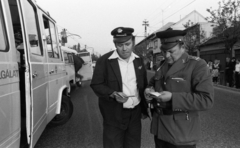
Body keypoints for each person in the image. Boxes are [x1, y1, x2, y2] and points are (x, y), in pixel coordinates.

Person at [144, 28, 214, 148]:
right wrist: (148, 90)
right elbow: (153, 83)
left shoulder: (197, 65)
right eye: (163, 51)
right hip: (160, 130)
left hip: (182, 133)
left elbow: (206, 100)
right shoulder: (162, 66)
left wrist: (172, 97)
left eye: (171, 51)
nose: (166, 56)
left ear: (183, 47)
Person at [90, 27, 149, 148]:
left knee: (133, 145)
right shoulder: (104, 61)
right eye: (120, 45)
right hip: (113, 114)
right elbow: (96, 84)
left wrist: (144, 108)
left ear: (133, 42)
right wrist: (112, 93)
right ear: (115, 44)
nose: (124, 48)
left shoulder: (138, 60)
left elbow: (142, 84)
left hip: (135, 114)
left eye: (127, 44)